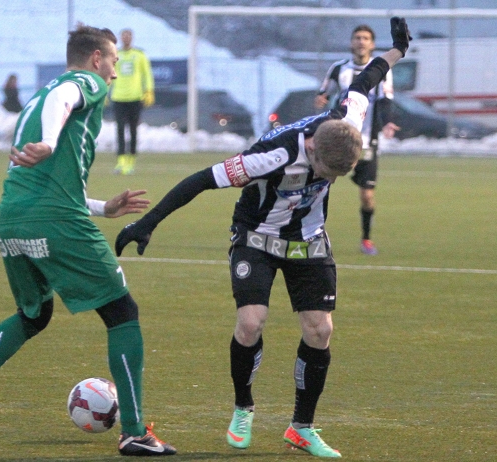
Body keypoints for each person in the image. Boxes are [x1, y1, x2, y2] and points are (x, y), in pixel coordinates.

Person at [115, 18, 411, 459]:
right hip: (256, 236)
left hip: (308, 239)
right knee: (250, 322)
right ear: (312, 151)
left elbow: (367, 80)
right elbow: (201, 179)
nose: (329, 182)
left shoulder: (344, 121)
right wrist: (149, 222)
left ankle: (302, 428)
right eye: (328, 175)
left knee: (320, 330)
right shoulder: (269, 158)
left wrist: (397, 51)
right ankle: (243, 408)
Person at [0, 24, 176, 457]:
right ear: (97, 59)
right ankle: (135, 431)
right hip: (54, 220)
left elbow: (50, 179)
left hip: (13, 218)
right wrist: (49, 142)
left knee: (34, 314)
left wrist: (104, 208)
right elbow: (63, 100)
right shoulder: (79, 84)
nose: (115, 75)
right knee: (122, 312)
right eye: (114, 65)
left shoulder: (37, 96)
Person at [315, 25, 400, 256]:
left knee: (367, 195)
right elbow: (325, 93)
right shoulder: (339, 69)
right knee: (319, 185)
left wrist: (388, 122)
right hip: (338, 137)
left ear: (372, 44)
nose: (361, 42)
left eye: (366, 38)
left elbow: (385, 100)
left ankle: (366, 240)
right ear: (352, 42)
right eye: (357, 38)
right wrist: (321, 100)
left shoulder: (381, 70)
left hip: (366, 141)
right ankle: (311, 234)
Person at [109, 28, 155, 175]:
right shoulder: (116, 55)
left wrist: (148, 91)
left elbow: (147, 74)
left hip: (135, 97)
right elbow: (109, 74)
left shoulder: (139, 55)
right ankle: (121, 161)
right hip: (119, 97)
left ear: (132, 38)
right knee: (120, 129)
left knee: (134, 130)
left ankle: (131, 162)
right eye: (124, 36)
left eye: (128, 36)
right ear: (120, 38)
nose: (126, 38)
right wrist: (105, 92)